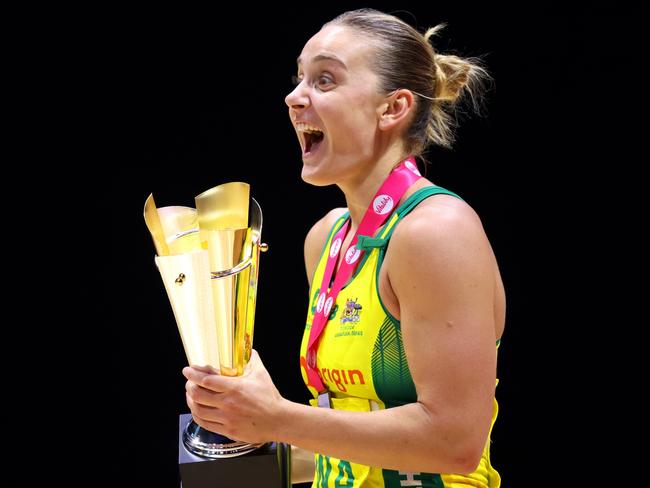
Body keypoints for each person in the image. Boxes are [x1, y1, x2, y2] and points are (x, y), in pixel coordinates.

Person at [183, 8, 504, 487]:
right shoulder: (328, 238)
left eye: (325, 80)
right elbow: (359, 448)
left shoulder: (434, 232)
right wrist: (240, 444)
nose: (294, 97)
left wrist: (276, 418)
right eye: (299, 79)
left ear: (393, 108)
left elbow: (454, 442)